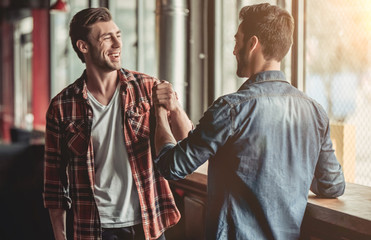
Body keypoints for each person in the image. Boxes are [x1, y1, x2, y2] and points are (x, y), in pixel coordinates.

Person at [153, 3, 345, 240]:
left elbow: (171, 166)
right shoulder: (315, 111)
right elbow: (333, 186)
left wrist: (160, 114)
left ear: (252, 44)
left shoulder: (232, 109)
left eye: (237, 40)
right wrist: (296, 168)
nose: (234, 50)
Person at [43, 7, 192, 240]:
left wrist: (174, 107)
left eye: (118, 35)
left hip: (146, 222)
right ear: (83, 47)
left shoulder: (147, 87)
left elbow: (186, 141)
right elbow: (54, 182)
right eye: (106, 38)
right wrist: (60, 237)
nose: (117, 44)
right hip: (93, 228)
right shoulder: (61, 106)